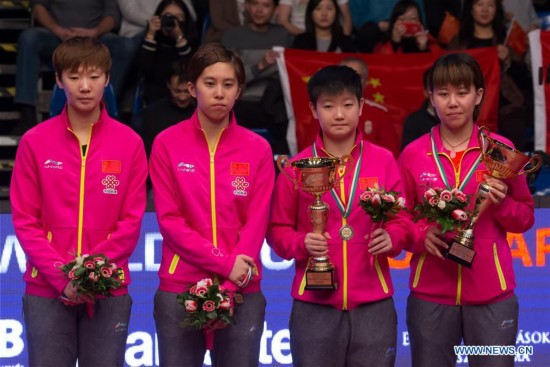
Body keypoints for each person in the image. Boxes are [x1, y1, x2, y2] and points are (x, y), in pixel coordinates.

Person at [10, 36, 147, 366]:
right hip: (46, 287)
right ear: (58, 81)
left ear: (108, 79)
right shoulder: (34, 142)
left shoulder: (130, 143)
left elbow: (130, 224)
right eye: (74, 77)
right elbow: (26, 221)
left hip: (109, 287)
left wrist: (90, 275)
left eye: (94, 76)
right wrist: (63, 277)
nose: (85, 87)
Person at [268, 65, 410, 367]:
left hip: (374, 301)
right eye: (328, 106)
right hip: (314, 303)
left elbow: (402, 219)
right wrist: (302, 242)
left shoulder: (383, 161)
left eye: (347, 105)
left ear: (361, 106)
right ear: (313, 109)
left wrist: (393, 237)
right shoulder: (297, 168)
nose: (339, 114)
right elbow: (277, 230)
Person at [398, 52, 534, 367]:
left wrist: (501, 206)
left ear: (478, 95)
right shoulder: (413, 154)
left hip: (492, 295)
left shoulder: (501, 151)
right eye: (443, 94)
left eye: (462, 92)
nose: (453, 102)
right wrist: (419, 235)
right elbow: (397, 216)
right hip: (430, 295)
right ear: (430, 98)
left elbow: (525, 216)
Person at [149, 43, 275, 366]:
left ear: (239, 90)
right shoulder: (166, 143)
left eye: (228, 84)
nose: (219, 93)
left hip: (243, 288)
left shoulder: (258, 148)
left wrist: (234, 279)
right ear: (192, 88)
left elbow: (257, 220)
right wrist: (224, 263)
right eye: (210, 83)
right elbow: (170, 222)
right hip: (180, 287)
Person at [13, 0, 133, 134]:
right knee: (29, 38)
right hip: (57, 37)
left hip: (95, 38)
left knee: (126, 46)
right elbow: (38, 8)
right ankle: (27, 112)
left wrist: (94, 32)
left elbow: (112, 16)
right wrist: (60, 31)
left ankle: (105, 105)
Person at [448, 0, 532, 151]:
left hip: (505, 103)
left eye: (490, 5)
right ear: (471, 9)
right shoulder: (459, 41)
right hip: (469, 104)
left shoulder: (506, 39)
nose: (485, 10)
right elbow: (449, 74)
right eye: (479, 4)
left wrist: (508, 61)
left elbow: (524, 78)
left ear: (497, 10)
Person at [222, 0, 293, 154]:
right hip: (243, 100)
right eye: (255, 4)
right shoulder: (232, 36)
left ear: (275, 10)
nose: (259, 10)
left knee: (291, 128)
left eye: (266, 5)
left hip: (275, 101)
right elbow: (229, 78)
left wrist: (249, 69)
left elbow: (289, 70)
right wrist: (260, 66)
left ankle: (279, 170)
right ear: (247, 6)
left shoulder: (283, 35)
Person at [135, 0, 199, 106]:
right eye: (168, 16)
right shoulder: (152, 41)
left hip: (186, 101)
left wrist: (179, 37)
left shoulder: (190, 42)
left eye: (179, 17)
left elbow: (191, 68)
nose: (173, 21)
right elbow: (142, 68)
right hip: (155, 100)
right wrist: (150, 34)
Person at [340, 57, 402, 158]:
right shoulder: (324, 111)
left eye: (356, 76)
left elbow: (391, 155)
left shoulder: (380, 113)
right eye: (344, 75)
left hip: (370, 172)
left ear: (365, 82)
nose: (350, 81)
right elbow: (311, 153)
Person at [135, 60, 195, 158]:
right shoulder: (152, 115)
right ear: (168, 85)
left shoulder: (203, 115)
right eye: (177, 91)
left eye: (186, 91)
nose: (182, 97)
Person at [373, 0, 441, 54]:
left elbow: (439, 64)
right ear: (394, 22)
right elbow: (381, 64)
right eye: (402, 19)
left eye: (413, 18)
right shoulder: (384, 41)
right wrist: (394, 43)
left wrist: (424, 48)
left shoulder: (429, 40)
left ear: (419, 22)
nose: (408, 23)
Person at [292, 0, 357, 52]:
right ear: (310, 13)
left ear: (336, 13)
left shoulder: (346, 42)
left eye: (329, 8)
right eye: (318, 8)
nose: (324, 14)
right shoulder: (300, 41)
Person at [400, 66, 440, 150]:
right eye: (434, 88)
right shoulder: (413, 122)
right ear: (425, 92)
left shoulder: (460, 118)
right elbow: (408, 157)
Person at [277, 0, 353, 36]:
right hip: (297, 34)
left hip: (333, 34)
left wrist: (344, 39)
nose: (324, 13)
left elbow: (346, 17)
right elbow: (282, 21)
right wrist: (307, 35)